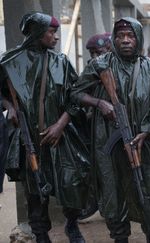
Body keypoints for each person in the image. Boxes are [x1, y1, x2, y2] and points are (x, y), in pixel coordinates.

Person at [71, 17, 150, 243]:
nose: (125, 40)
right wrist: (100, 104)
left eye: (130, 36)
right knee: (113, 193)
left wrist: (146, 130)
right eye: (120, 36)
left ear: (138, 38)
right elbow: (75, 94)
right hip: (109, 142)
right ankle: (120, 237)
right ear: (114, 39)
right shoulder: (100, 65)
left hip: (146, 143)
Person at [0, 12, 91, 243]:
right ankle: (40, 233)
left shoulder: (60, 62)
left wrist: (60, 125)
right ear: (37, 33)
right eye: (51, 32)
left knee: (71, 183)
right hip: (28, 138)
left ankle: (72, 224)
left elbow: (75, 97)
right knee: (34, 191)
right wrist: (8, 106)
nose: (56, 37)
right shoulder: (9, 62)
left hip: (61, 135)